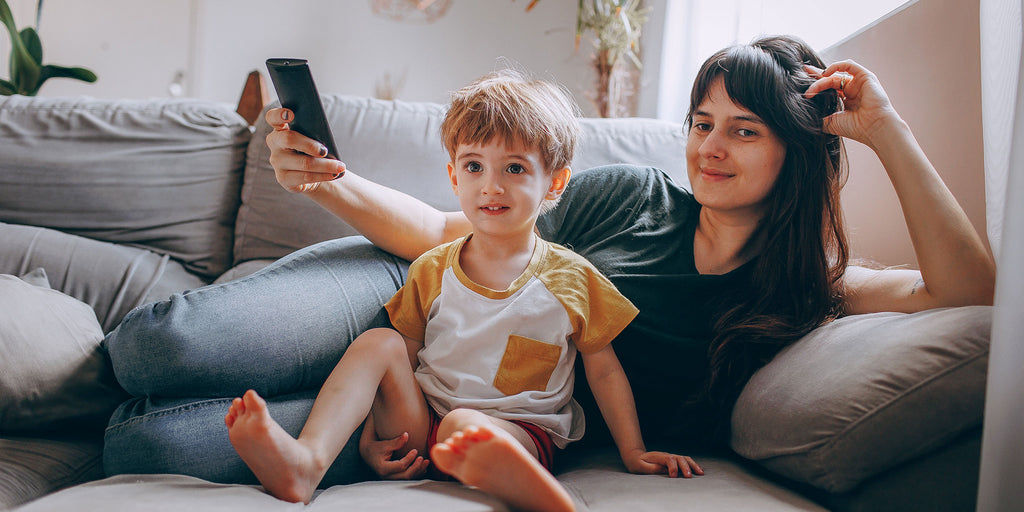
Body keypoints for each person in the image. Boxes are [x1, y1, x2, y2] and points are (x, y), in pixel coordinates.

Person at [102, 35, 994, 486]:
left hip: (465, 399)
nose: (710, 147)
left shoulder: (803, 291)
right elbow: (448, 231)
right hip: (417, 288)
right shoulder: (635, 194)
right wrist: (331, 184)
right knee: (152, 353)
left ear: (796, 152)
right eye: (702, 122)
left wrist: (885, 131)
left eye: (744, 130)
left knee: (140, 438)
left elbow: (975, 292)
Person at [220, 71, 701, 510]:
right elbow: (400, 364)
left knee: (463, 426)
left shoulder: (573, 277)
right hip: (425, 421)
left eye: (514, 169)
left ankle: (540, 494)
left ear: (554, 184)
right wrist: (370, 440)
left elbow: (606, 373)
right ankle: (307, 461)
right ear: (453, 176)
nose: (491, 186)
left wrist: (633, 451)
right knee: (379, 342)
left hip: (518, 433)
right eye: (474, 167)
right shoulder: (432, 268)